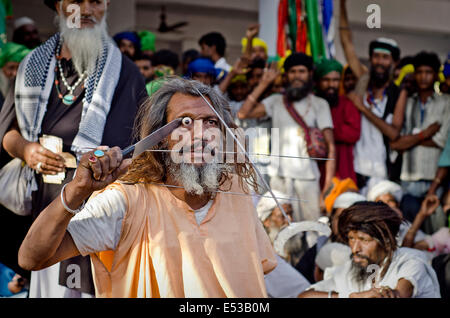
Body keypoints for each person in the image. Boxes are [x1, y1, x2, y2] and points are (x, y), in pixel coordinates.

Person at [18, 77, 277, 298]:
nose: (200, 134)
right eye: (185, 122)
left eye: (210, 121)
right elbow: (31, 258)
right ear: (160, 137)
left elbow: (255, 269)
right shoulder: (126, 200)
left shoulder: (236, 188)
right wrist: (77, 190)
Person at [0, 0, 147, 298]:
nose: (87, 10)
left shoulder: (127, 74)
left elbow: (141, 152)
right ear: (57, 5)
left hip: (97, 213)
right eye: (76, 1)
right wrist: (27, 150)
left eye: (96, 1)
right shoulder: (33, 65)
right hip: (42, 207)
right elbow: (7, 133)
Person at [239, 53, 336, 224]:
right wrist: (265, 82)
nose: (297, 76)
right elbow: (243, 113)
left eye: (301, 71)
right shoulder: (276, 101)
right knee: (279, 231)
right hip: (279, 179)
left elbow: (331, 147)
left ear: (309, 74)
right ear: (286, 75)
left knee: (311, 231)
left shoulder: (320, 104)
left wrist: (326, 189)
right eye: (292, 71)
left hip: (309, 180)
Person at [299, 202, 441, 298]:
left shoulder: (410, 262)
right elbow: (304, 296)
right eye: (351, 238)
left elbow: (401, 292)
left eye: (364, 240)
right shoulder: (350, 270)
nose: (355, 249)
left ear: (385, 240)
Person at [340, 0, 406, 189]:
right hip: (356, 169)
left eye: (385, 58)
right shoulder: (363, 81)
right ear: (370, 58)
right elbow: (346, 43)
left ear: (393, 62)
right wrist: (342, 5)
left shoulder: (398, 93)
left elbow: (393, 133)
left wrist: (363, 109)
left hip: (383, 173)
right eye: (376, 56)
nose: (380, 61)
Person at [391, 52, 450, 224]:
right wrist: (425, 134)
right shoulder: (407, 103)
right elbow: (396, 142)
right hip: (408, 178)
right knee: (407, 229)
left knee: (434, 231)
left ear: (435, 75)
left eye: (428, 72)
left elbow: (442, 141)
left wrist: (408, 140)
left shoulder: (446, 102)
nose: (423, 77)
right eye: (420, 72)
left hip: (434, 178)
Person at [295, 191, 366, 283]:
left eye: (351, 220)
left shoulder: (368, 254)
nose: (344, 225)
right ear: (331, 220)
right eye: (339, 218)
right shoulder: (317, 250)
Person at [256, 190, 311, 297]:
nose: (289, 220)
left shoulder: (302, 248)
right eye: (283, 216)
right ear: (266, 221)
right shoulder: (264, 258)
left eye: (291, 214)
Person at [315, 58, 361, 184]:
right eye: (326, 80)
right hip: (315, 169)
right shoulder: (313, 104)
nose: (331, 85)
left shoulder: (347, 104)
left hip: (342, 169)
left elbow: (353, 133)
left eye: (335, 80)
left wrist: (325, 132)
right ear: (318, 81)